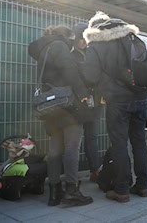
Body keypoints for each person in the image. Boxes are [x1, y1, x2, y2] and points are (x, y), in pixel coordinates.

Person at [82, 12, 147, 202]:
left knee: (119, 144)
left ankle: (122, 189)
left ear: (95, 28)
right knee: (139, 142)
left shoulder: (97, 44)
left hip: (118, 100)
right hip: (141, 97)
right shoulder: (134, 39)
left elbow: (90, 76)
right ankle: (143, 186)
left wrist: (103, 88)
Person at [28, 25, 93, 206]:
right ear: (66, 37)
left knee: (55, 149)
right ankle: (71, 190)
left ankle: (54, 192)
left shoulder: (44, 50)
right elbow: (70, 71)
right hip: (66, 105)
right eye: (71, 39)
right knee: (72, 147)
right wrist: (83, 95)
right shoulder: (59, 46)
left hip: (50, 107)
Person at [71, 22, 102, 182]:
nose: (83, 41)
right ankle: (72, 176)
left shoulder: (92, 53)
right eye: (80, 38)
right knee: (74, 140)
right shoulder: (70, 55)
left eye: (85, 38)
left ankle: (95, 170)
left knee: (92, 137)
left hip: (94, 102)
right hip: (77, 103)